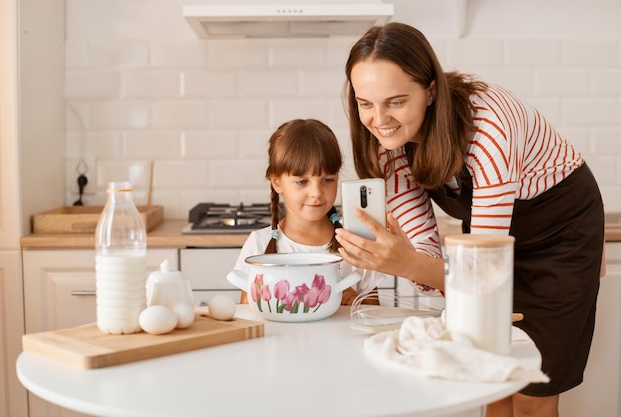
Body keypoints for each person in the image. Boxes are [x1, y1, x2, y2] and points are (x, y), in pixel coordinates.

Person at [334, 22, 605, 417]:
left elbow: (482, 280)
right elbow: (429, 250)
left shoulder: (489, 127)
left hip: (559, 237)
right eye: (365, 104)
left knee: (532, 396)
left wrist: (405, 262)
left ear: (430, 91)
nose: (380, 120)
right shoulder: (389, 147)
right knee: (489, 381)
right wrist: (406, 257)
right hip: (491, 239)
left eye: (395, 101)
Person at [233, 118, 387, 305]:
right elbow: (248, 316)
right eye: (302, 182)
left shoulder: (356, 244)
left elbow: (371, 317)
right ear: (277, 182)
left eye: (328, 180)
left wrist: (353, 303)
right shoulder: (259, 244)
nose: (316, 193)